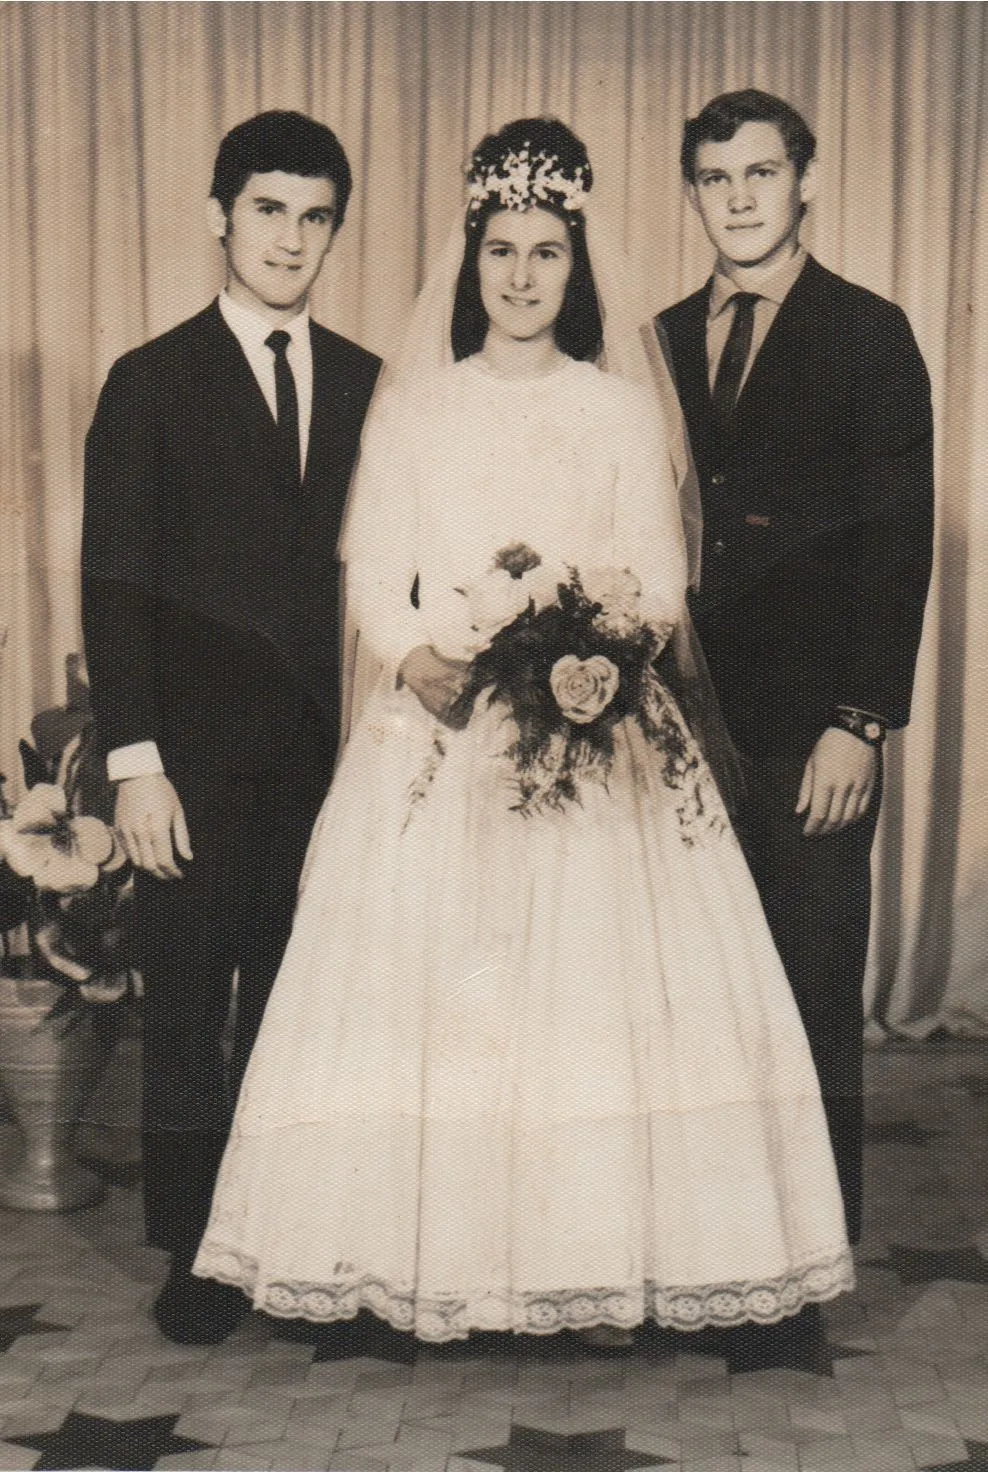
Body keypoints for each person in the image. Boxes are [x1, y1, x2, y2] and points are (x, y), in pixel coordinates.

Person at [194, 117, 853, 1351]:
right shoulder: (419, 408)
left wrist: (592, 646)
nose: (521, 275)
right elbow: (371, 567)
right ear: (472, 257)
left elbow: (657, 578)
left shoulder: (612, 410)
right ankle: (401, 1260)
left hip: (594, 730)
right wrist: (422, 652)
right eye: (502, 249)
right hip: (440, 728)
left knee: (610, 997)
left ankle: (614, 1258)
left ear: (574, 264)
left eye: (546, 251)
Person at [81, 110, 381, 1345]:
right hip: (191, 768)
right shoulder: (150, 380)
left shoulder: (369, 379)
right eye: (268, 209)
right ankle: (195, 1256)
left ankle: (291, 1243)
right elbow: (115, 582)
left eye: (314, 217)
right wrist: (135, 761)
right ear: (220, 215)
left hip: (329, 765)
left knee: (300, 1010)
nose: (291, 239)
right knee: (191, 1010)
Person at [657, 90, 934, 1247]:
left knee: (813, 989)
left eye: (760, 175)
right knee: (698, 998)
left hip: (809, 728)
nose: (738, 200)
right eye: (716, 180)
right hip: (675, 727)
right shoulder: (659, 334)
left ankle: (808, 1264)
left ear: (804, 182)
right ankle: (708, 1249)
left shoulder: (868, 332)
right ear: (692, 193)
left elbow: (896, 536)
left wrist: (857, 721)